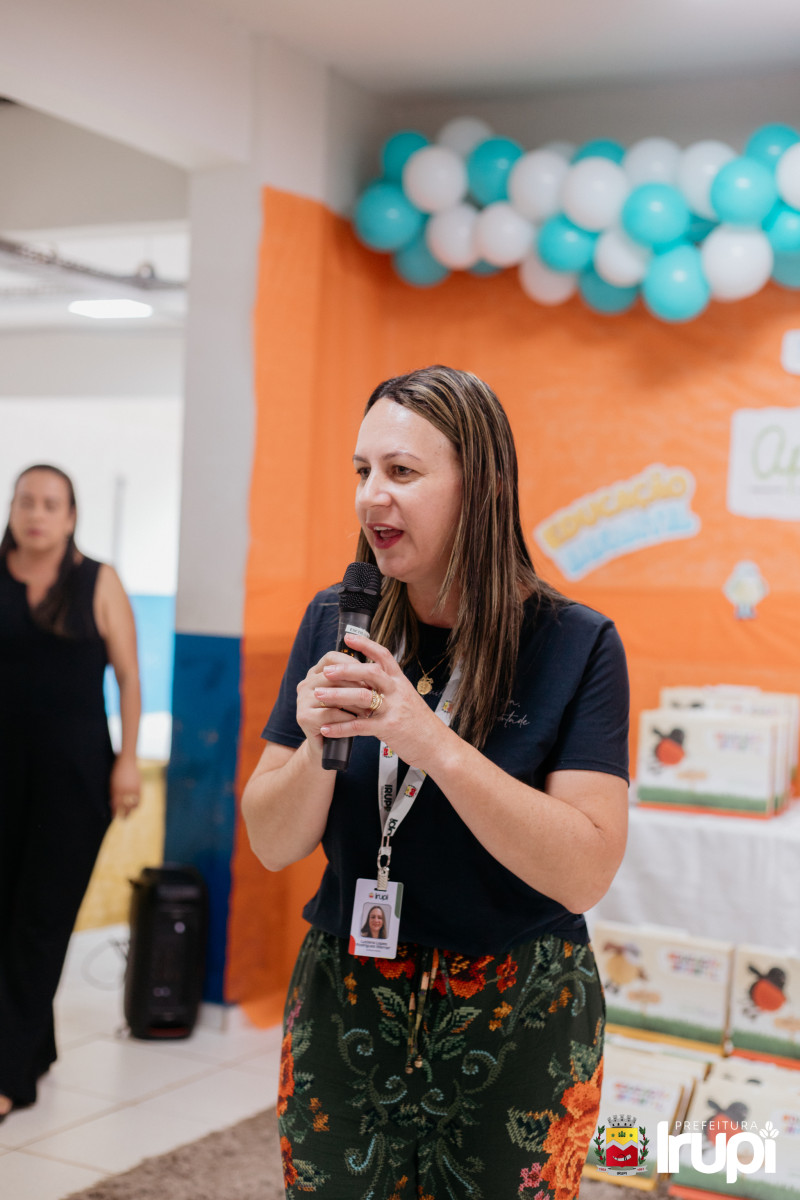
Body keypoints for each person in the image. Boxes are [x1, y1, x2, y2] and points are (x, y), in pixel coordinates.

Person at [242, 366, 630, 1199]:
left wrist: (431, 741)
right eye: (363, 470)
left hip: (517, 1004)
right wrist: (316, 743)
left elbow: (585, 871)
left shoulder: (576, 643)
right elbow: (271, 842)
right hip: (348, 990)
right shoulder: (336, 621)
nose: (371, 496)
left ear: (481, 488)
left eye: (403, 471)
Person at [0, 464, 141, 1120]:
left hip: (76, 778)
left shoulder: (97, 581)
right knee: (8, 915)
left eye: (50, 504)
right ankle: (35, 1048)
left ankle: (8, 1076)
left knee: (41, 918)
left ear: (71, 516)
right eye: (26, 501)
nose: (36, 514)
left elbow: (128, 678)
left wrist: (128, 762)